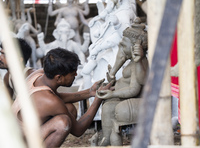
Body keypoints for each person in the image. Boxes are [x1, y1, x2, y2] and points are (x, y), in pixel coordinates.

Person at [12, 48, 113, 148]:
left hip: (17, 133)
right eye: (73, 73)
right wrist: (98, 99)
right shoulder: (50, 100)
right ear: (59, 78)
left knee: (69, 109)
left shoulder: (38, 74)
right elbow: (78, 130)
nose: (76, 75)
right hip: (18, 143)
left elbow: (56, 98)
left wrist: (89, 92)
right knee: (62, 123)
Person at [96, 18, 148, 146]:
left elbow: (134, 89)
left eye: (124, 46)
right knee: (107, 106)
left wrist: (113, 94)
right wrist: (113, 83)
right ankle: (107, 138)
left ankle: (111, 138)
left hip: (138, 100)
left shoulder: (139, 64)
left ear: (136, 47)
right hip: (128, 97)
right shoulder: (132, 63)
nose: (121, 48)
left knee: (110, 108)